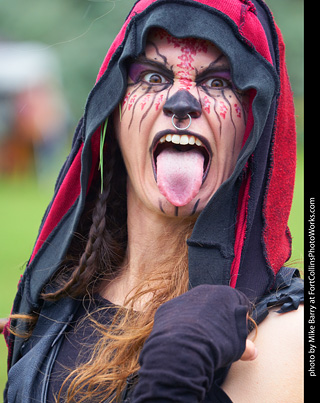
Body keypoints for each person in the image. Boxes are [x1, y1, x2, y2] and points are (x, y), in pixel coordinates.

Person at [2, 0, 304, 402]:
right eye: (154, 77)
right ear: (114, 109)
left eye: (217, 83)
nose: (181, 104)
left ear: (255, 125)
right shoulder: (62, 289)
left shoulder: (282, 333)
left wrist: (175, 373)